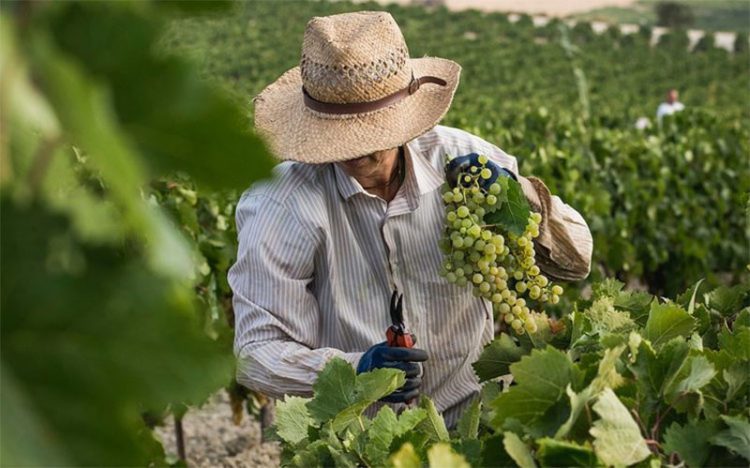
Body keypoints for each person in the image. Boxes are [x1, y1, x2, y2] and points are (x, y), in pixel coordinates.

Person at [228, 11, 593, 427]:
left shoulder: (466, 167)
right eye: (339, 138)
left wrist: (519, 195)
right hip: (356, 439)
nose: (358, 152)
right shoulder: (281, 202)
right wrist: (353, 371)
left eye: (372, 135)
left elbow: (576, 261)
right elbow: (256, 354)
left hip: (470, 421)